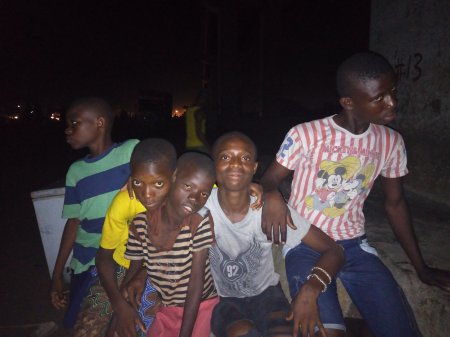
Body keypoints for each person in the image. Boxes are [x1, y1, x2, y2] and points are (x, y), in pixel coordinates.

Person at [260, 51, 450, 337]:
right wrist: (272, 195)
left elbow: (395, 204)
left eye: (393, 92)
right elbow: (270, 178)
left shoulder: (391, 142)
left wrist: (420, 267)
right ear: (349, 102)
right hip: (305, 243)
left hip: (354, 247)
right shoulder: (306, 135)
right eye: (379, 98)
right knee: (326, 331)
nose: (392, 103)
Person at [208, 131, 345, 337]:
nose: (236, 164)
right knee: (243, 333)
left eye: (245, 158)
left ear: (254, 168)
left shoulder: (269, 210)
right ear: (213, 165)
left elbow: (334, 251)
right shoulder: (200, 206)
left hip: (268, 296)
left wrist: (310, 289)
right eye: (226, 157)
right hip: (226, 301)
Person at [50, 97, 139, 330]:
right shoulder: (76, 172)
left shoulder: (131, 152)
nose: (67, 129)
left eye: (74, 122)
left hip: (124, 255)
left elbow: (164, 170)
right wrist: (57, 274)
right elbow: (74, 223)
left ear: (99, 122)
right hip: (87, 260)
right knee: (80, 323)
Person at [79, 138, 176, 337]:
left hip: (162, 270)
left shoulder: (187, 199)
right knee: (88, 326)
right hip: (121, 266)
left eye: (158, 183)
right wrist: (119, 306)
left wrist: (255, 190)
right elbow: (104, 256)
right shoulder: (125, 202)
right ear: (131, 178)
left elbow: (223, 189)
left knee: (139, 325)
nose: (147, 194)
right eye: (139, 182)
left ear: (175, 177)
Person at [124, 152, 218, 337]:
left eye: (203, 193)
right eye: (188, 186)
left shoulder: (199, 221)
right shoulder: (140, 224)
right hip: (167, 307)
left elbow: (196, 282)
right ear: (173, 177)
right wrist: (124, 309)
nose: (194, 197)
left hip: (202, 304)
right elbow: (132, 271)